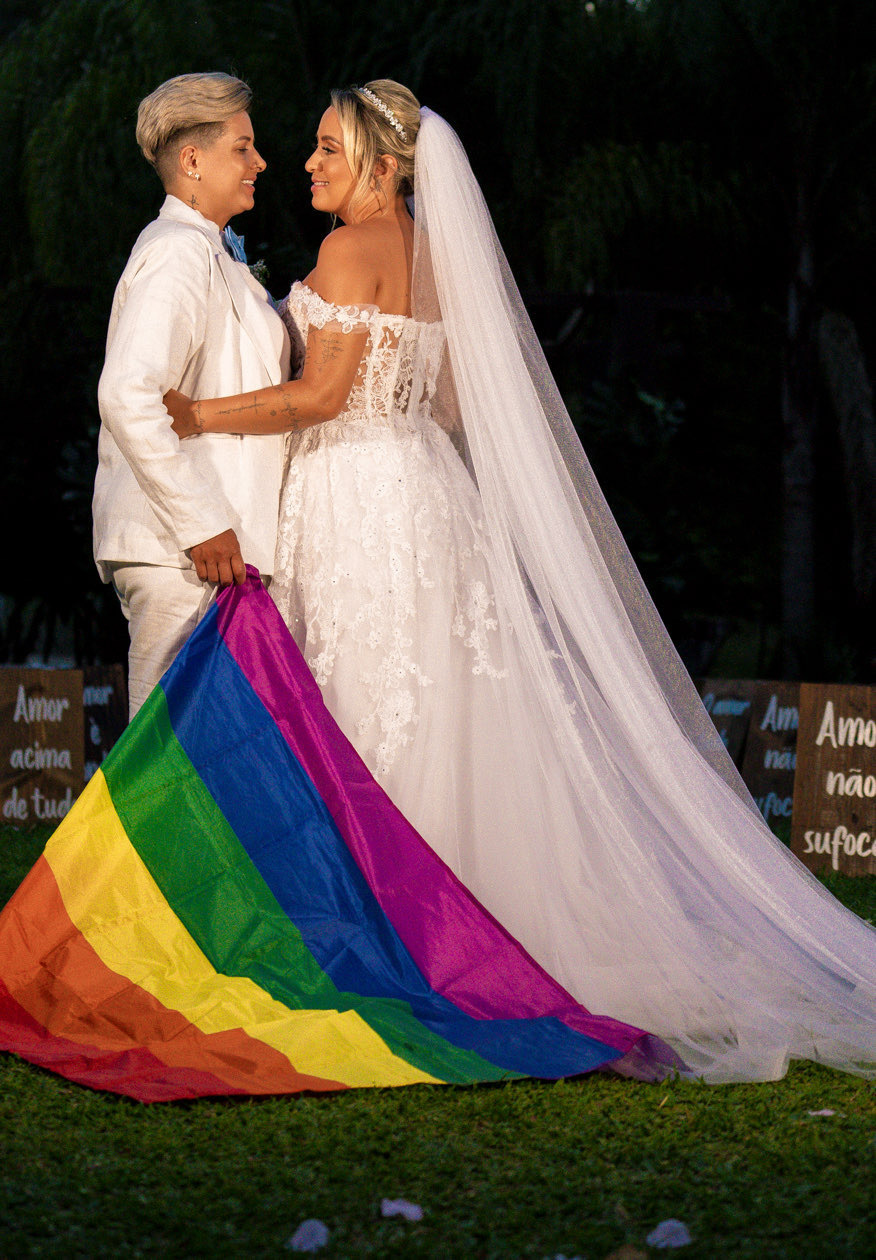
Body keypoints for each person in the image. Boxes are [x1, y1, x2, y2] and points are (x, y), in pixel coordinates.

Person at [164, 79, 876, 1085]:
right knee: (440, 707)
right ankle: (455, 929)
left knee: (362, 707)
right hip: (424, 492)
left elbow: (319, 394)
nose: (309, 163)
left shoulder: (348, 248)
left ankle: (389, 943)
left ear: (380, 163)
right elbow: (456, 405)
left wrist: (198, 414)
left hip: (360, 498)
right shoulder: (431, 254)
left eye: (327, 147)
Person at [94, 72, 290, 717]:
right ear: (192, 161)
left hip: (206, 554)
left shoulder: (208, 250)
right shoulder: (178, 251)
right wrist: (200, 524)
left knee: (205, 753)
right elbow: (128, 394)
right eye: (243, 147)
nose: (260, 162)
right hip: (181, 553)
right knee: (166, 754)